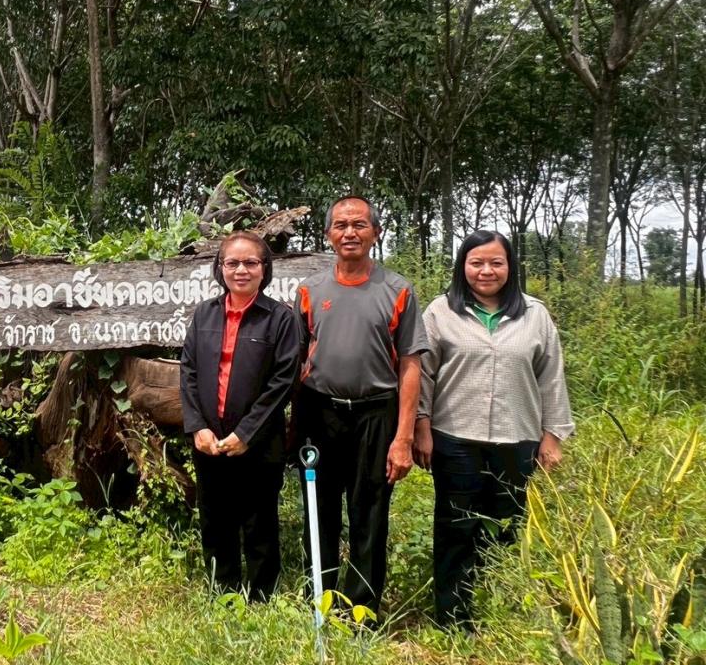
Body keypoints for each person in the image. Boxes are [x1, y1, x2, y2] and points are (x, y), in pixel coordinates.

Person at [414, 230, 572, 629]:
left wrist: (552, 435)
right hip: (455, 438)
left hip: (517, 439)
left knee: (508, 524)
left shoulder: (535, 315)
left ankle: (496, 609)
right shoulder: (440, 312)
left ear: (510, 267)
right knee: (456, 526)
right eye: (476, 262)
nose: (486, 271)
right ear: (462, 266)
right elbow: (424, 376)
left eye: (496, 263)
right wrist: (422, 428)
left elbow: (551, 377)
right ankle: (452, 616)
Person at [292, 196, 428, 620]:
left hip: (376, 414)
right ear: (328, 234)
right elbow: (296, 361)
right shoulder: (309, 291)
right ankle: (320, 596)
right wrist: (294, 425)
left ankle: (361, 610)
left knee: (369, 510)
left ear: (376, 233)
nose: (349, 232)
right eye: (340, 225)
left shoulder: (397, 289)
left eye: (359, 225)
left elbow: (410, 365)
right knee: (320, 505)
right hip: (320, 410)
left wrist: (403, 437)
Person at [180, 231, 302, 600]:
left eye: (250, 262)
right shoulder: (205, 313)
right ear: (220, 269)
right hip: (209, 441)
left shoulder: (280, 319)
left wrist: (247, 432)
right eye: (232, 263)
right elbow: (188, 372)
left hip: (259, 443)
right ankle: (224, 593)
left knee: (259, 522)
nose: (241, 270)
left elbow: (284, 381)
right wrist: (197, 426)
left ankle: (262, 598)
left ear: (265, 269)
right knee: (215, 521)